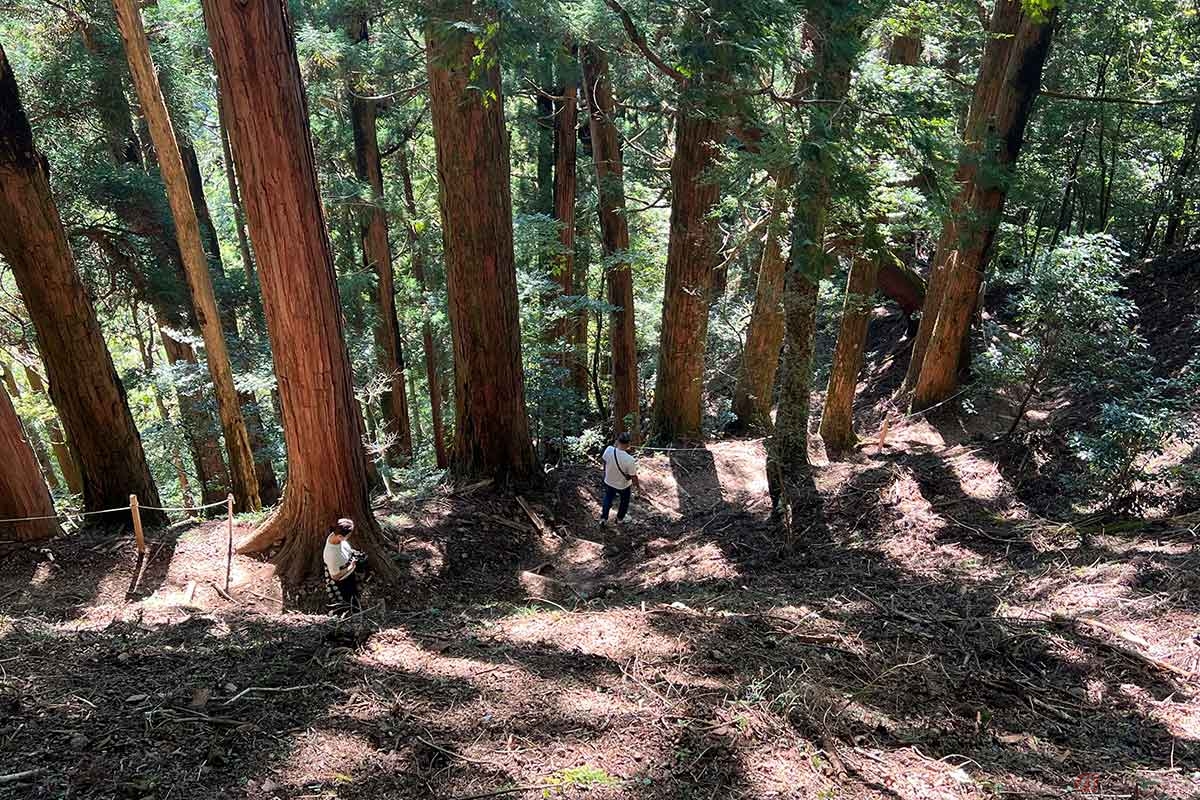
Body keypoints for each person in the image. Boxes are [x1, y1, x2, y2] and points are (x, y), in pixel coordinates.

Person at [323, 518, 369, 612]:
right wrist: (350, 567)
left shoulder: (334, 536)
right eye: (348, 535)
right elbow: (335, 576)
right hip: (343, 581)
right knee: (350, 599)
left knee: (355, 594)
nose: (350, 536)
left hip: (349, 571)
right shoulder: (332, 555)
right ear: (340, 536)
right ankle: (353, 613)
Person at [599, 432, 639, 526]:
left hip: (609, 481)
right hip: (623, 485)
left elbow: (604, 462)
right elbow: (633, 476)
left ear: (617, 441)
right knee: (624, 501)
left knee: (608, 498)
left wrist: (606, 473)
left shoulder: (609, 449)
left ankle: (603, 519)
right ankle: (620, 519)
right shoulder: (630, 460)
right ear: (628, 443)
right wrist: (637, 487)